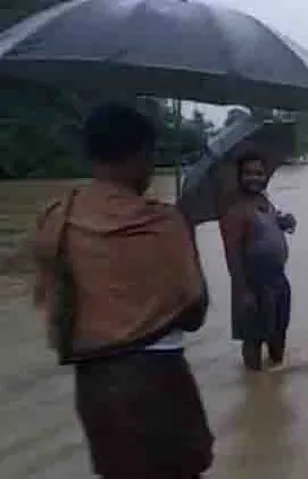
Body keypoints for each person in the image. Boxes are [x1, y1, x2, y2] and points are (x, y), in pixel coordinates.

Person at [32, 103, 213, 479]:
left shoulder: (57, 216)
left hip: (95, 385)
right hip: (158, 382)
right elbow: (195, 310)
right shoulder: (163, 221)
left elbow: (54, 304)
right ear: (140, 154)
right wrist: (187, 236)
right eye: (150, 157)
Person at [219, 150, 296, 371]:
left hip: (278, 279)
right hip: (253, 282)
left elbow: (271, 226)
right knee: (253, 338)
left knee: (278, 333)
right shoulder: (235, 209)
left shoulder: (264, 201)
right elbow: (232, 253)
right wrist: (243, 291)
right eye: (248, 173)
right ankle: (253, 382)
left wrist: (283, 222)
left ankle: (273, 383)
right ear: (239, 177)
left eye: (259, 173)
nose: (255, 178)